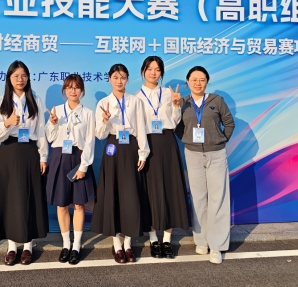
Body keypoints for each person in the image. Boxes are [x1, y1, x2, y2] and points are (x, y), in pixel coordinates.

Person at [0, 61, 49, 266]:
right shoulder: (0, 102)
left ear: (28, 78)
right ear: (9, 79)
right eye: (16, 76)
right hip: (9, 152)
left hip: (29, 152)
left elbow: (41, 130)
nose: (20, 80)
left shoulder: (35, 100)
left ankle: (28, 245)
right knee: (10, 198)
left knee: (29, 197)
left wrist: (43, 156)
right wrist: (7, 122)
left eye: (23, 76)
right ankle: (12, 246)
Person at [90, 63, 150, 264]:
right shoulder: (103, 103)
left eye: (123, 77)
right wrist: (105, 121)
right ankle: (116, 244)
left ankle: (128, 244)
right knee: (113, 194)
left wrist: (143, 153)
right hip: (113, 147)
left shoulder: (135, 101)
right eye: (115, 77)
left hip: (131, 147)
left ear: (127, 79)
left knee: (131, 195)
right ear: (109, 79)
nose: (119, 81)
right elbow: (100, 135)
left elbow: (141, 128)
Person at [175, 66, 235, 264]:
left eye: (202, 79)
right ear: (188, 82)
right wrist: (188, 140)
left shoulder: (216, 100)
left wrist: (219, 140)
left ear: (207, 81)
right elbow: (178, 127)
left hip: (216, 154)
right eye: (194, 79)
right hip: (192, 155)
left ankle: (217, 245)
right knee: (198, 198)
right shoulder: (183, 102)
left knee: (218, 198)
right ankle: (201, 240)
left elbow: (229, 123)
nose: (198, 83)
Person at [135, 56, 191, 259]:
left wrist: (176, 105)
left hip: (167, 142)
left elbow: (174, 122)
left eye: (157, 69)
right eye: (149, 69)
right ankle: (153, 239)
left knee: (170, 189)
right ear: (143, 71)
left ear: (161, 73)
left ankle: (167, 240)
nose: (153, 73)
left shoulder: (169, 94)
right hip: (147, 144)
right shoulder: (136, 97)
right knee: (150, 191)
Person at [45, 74, 97, 265]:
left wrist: (84, 166)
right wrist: (52, 124)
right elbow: (49, 138)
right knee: (61, 205)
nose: (73, 91)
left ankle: (77, 245)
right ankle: (66, 244)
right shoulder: (56, 111)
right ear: (64, 90)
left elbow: (90, 142)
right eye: (69, 87)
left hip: (78, 159)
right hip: (59, 158)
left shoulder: (88, 113)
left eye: (76, 87)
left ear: (82, 90)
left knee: (79, 204)